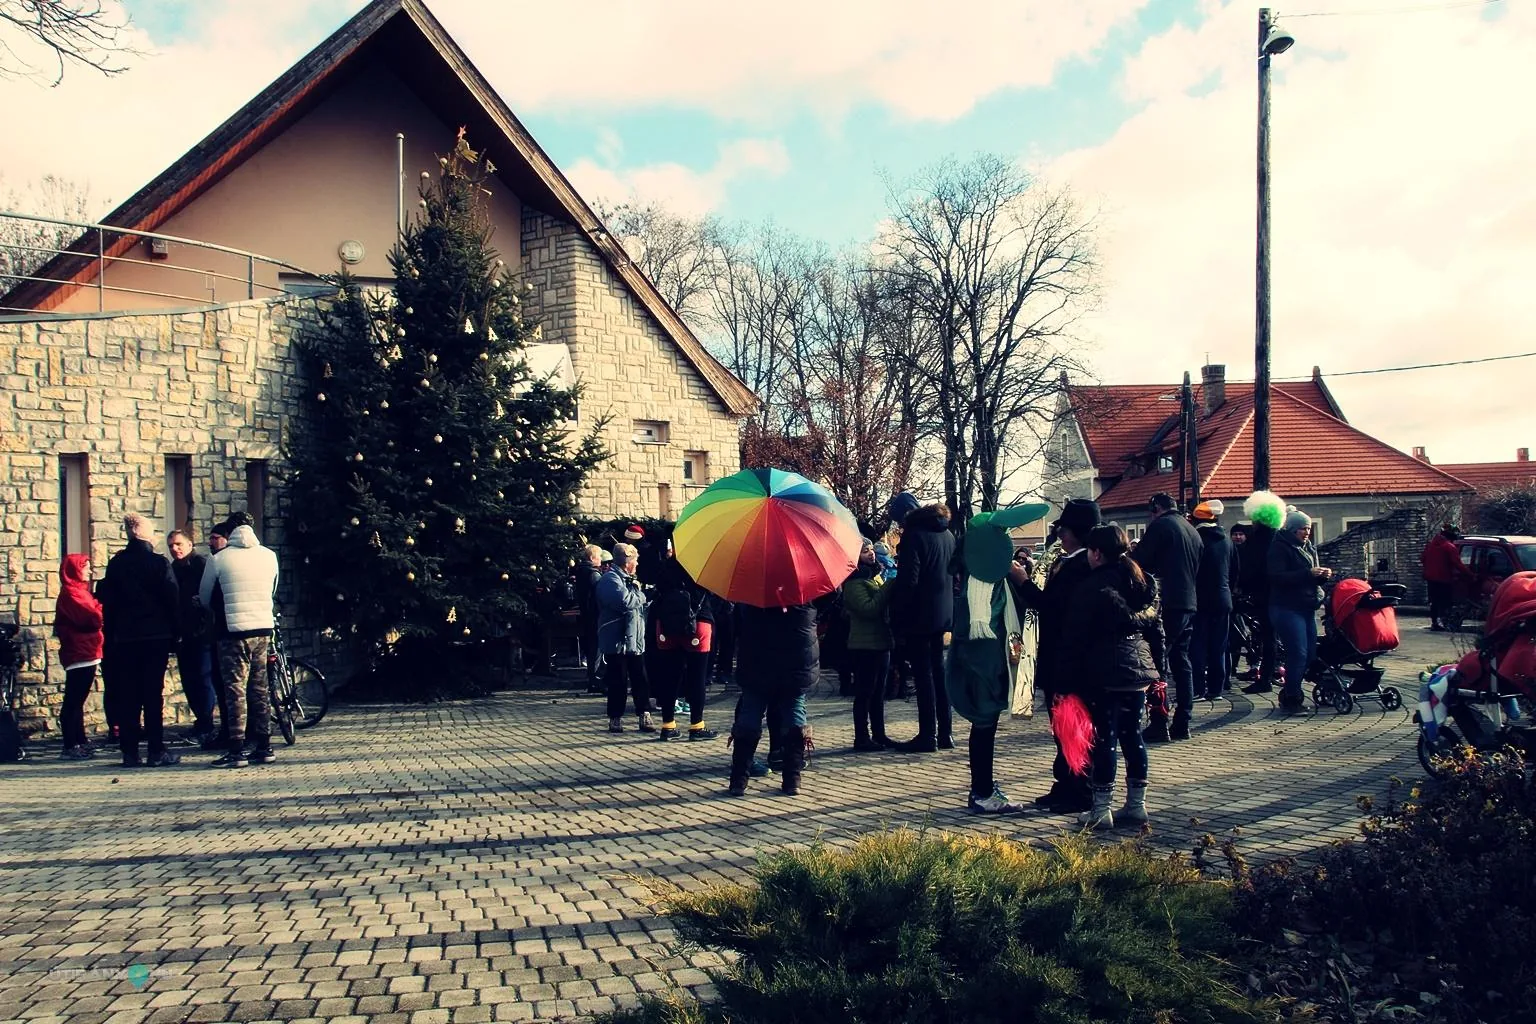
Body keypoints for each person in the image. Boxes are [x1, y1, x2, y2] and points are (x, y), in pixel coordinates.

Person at [1065, 524, 1161, 830]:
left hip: (1105, 669)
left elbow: (1077, 635)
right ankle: (1136, 805)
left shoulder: (1093, 586)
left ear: (1096, 553)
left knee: (1104, 737)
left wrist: (1070, 675)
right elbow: (1157, 629)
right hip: (1139, 669)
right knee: (1133, 735)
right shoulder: (1140, 582)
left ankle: (1101, 809)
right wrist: (1159, 669)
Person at [1010, 498, 1101, 813]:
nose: (1059, 533)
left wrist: (1022, 582)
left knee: (1072, 725)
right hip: (1062, 658)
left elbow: (1052, 606)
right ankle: (1065, 783)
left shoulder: (1079, 566)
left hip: (1069, 660)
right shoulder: (1074, 561)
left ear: (1076, 531)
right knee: (1062, 725)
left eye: (1064, 528)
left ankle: (1079, 789)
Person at [97, 514, 182, 768]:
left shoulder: (117, 564)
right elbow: (172, 599)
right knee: (152, 694)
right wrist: (176, 633)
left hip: (126, 637)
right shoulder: (158, 563)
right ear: (145, 533)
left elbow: (108, 604)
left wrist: (111, 636)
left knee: (128, 695)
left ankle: (130, 751)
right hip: (155, 636)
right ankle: (156, 750)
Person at [198, 520, 280, 768]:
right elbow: (273, 590)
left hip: (232, 631)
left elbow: (204, 596)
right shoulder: (269, 556)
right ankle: (265, 746)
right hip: (263, 628)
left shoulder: (219, 559)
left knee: (235, 689)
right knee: (259, 688)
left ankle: (236, 748)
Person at [884, 493, 955, 753]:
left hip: (920, 615)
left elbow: (908, 581)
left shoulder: (914, 536)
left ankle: (928, 735)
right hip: (942, 612)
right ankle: (946, 733)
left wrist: (898, 612)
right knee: (939, 673)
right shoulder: (947, 534)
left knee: (924, 675)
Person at [1132, 492, 1203, 741]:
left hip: (1165, 603)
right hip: (1188, 602)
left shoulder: (1161, 526)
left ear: (1156, 508)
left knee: (1157, 663)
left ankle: (1159, 721)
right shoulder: (1192, 529)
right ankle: (1183, 721)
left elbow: (1139, 563)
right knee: (1182, 663)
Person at [727, 601, 817, 796]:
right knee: (794, 713)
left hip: (757, 665)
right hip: (795, 667)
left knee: (750, 714)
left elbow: (738, 622)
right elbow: (832, 594)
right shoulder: (804, 599)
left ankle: (739, 780)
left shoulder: (752, 598)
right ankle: (792, 779)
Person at [649, 548, 718, 741]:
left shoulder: (665, 568)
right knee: (697, 676)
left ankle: (668, 725)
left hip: (667, 626)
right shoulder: (701, 569)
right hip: (698, 623)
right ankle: (697, 725)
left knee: (669, 675)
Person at [1267, 508, 1331, 711]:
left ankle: (1292, 689)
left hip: (1307, 607)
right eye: (1303, 529)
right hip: (1286, 607)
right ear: (1292, 529)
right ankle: (1292, 697)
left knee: (1311, 653)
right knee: (1298, 653)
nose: (1307, 532)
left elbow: (1312, 576)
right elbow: (1277, 577)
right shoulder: (1279, 547)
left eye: (1309, 528)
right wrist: (1307, 573)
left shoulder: (1309, 547)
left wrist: (1322, 575)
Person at [843, 539, 893, 751]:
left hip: (881, 642)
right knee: (865, 692)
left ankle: (879, 734)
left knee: (879, 692)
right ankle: (861, 736)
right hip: (864, 645)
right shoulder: (854, 583)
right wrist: (888, 589)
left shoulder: (873, 578)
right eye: (865, 551)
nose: (871, 554)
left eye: (871, 549)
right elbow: (868, 608)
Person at [168, 529, 218, 744]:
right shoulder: (172, 569)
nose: (175, 549)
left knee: (203, 677)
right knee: (189, 679)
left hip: (202, 632)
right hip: (183, 632)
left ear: (190, 544)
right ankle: (201, 721)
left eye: (179, 544)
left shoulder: (201, 564)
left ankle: (207, 723)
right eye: (171, 545)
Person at [597, 542, 653, 734]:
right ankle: (615, 717)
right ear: (626, 562)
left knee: (640, 679)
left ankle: (644, 714)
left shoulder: (629, 579)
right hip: (616, 640)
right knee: (617, 680)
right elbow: (625, 602)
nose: (637, 564)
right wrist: (642, 594)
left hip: (635, 639)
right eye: (635, 560)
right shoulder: (609, 580)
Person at [53, 553, 103, 760]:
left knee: (78, 700)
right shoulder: (72, 594)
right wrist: (99, 609)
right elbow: (92, 619)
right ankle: (70, 744)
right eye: (85, 567)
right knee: (73, 700)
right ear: (75, 570)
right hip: (79, 652)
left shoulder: (80, 592)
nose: (89, 571)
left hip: (88, 651)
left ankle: (80, 740)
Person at [1189, 501, 1239, 702]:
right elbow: (1235, 571)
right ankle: (1217, 689)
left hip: (1200, 599)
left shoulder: (1196, 541)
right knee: (1219, 646)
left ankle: (1199, 688)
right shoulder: (1227, 542)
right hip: (1223, 599)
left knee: (1198, 645)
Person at [1239, 491, 1285, 695]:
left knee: (1267, 637)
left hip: (1262, 595)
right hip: (1278, 595)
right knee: (1272, 637)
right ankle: (1271, 674)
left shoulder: (1257, 540)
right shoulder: (1279, 538)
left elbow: (1250, 569)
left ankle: (1265, 678)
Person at [1421, 524, 1470, 631]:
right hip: (1444, 579)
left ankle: (1435, 622)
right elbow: (1458, 564)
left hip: (1431, 579)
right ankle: (1445, 622)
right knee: (1446, 601)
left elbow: (1422, 558)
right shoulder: (1449, 547)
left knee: (1434, 601)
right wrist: (1469, 575)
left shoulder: (1430, 545)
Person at [574, 543, 606, 694]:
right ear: (592, 558)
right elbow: (600, 593)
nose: (601, 559)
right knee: (597, 649)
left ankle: (592, 678)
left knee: (592, 647)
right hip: (595, 615)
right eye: (599, 557)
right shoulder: (593, 574)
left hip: (586, 614)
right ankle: (595, 680)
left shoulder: (581, 571)